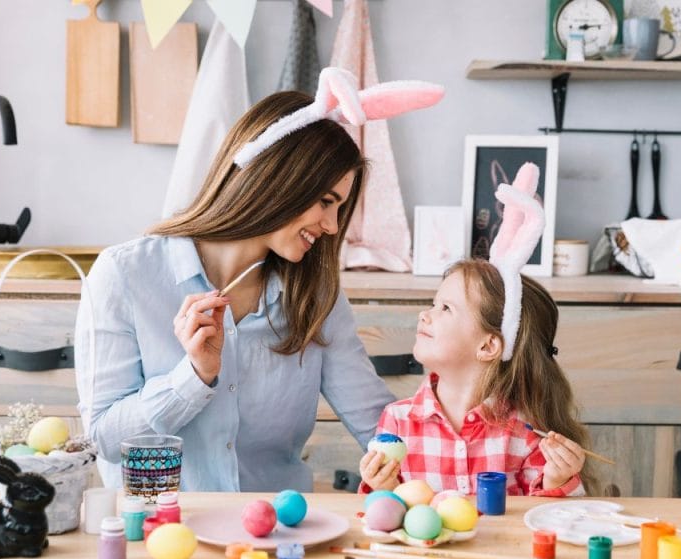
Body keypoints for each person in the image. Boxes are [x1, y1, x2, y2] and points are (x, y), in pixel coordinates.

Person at [75, 67, 444, 492]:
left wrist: (475, 436)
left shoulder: (315, 295)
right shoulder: (124, 276)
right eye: (326, 202)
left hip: (278, 536)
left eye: (339, 207)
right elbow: (104, 438)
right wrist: (194, 376)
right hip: (163, 538)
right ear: (276, 180)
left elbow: (377, 422)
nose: (331, 225)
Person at [359, 163, 594, 497]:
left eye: (445, 308)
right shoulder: (397, 421)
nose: (425, 315)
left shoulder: (524, 431)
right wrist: (379, 487)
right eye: (433, 304)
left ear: (487, 346)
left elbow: (549, 524)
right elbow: (382, 516)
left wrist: (559, 481)